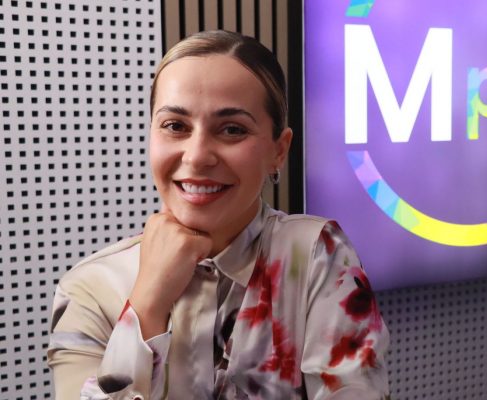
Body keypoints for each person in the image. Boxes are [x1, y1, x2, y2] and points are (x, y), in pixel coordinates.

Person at [47, 30, 390, 399]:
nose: (197, 157)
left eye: (232, 130)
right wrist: (147, 303)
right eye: (175, 126)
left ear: (279, 150)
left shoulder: (314, 256)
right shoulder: (89, 288)